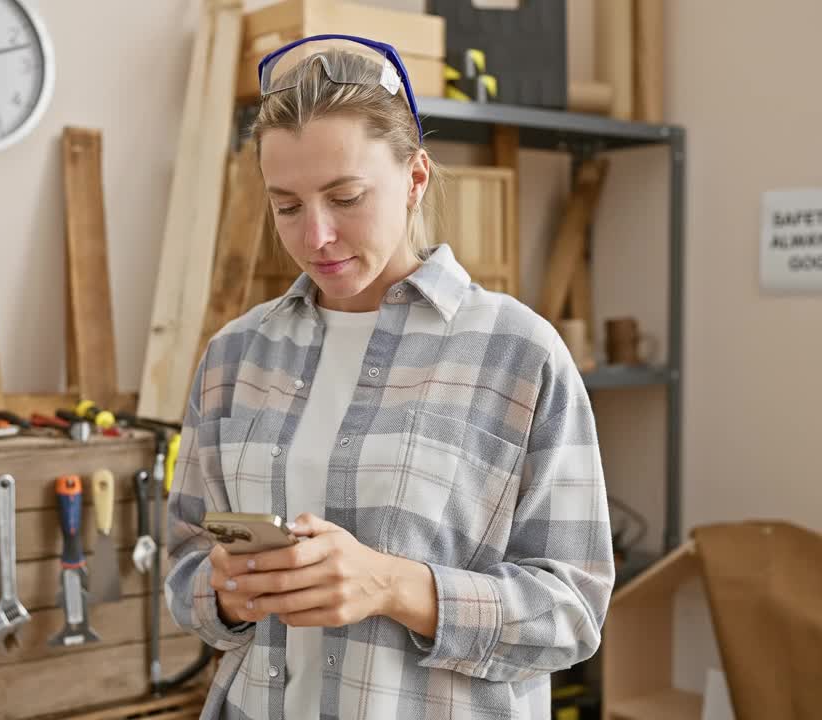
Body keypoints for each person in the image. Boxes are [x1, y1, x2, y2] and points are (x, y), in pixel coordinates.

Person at [165, 34, 614, 720]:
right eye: (286, 206)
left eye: (345, 197)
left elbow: (574, 612)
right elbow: (185, 568)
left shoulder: (519, 355)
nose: (315, 236)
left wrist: (393, 586)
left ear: (415, 179)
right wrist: (224, 593)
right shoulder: (234, 356)